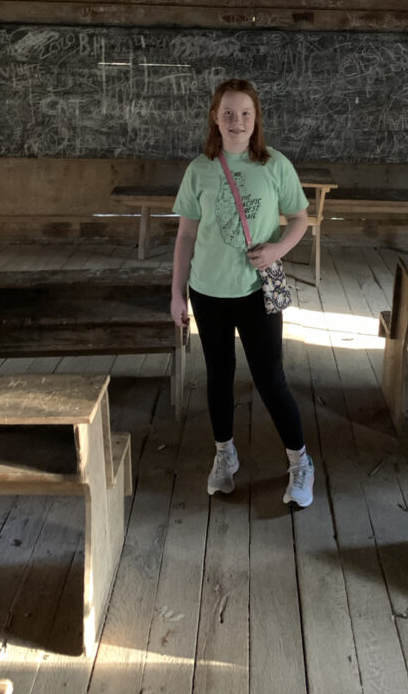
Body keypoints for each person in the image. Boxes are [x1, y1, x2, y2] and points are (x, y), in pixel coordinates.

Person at [170, 78, 315, 508]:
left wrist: (277, 249)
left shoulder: (274, 165)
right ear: (215, 118)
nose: (237, 121)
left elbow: (301, 219)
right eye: (228, 113)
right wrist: (177, 294)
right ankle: (224, 455)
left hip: (256, 292)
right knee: (218, 376)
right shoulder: (200, 169)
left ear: (256, 120)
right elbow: (184, 237)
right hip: (208, 292)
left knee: (270, 378)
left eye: (245, 114)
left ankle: (300, 462)